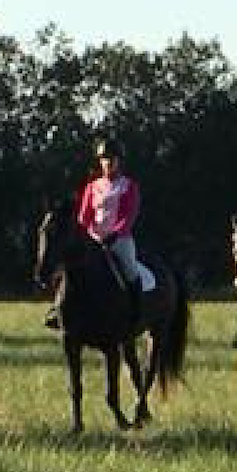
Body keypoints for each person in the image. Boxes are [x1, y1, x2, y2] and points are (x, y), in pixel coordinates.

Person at [46, 136, 156, 330]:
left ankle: (137, 312)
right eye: (105, 159)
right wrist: (87, 233)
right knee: (67, 269)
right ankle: (57, 310)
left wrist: (115, 233)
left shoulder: (128, 186)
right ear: (100, 161)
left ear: (119, 162)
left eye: (112, 159)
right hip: (93, 240)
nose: (108, 163)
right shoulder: (92, 187)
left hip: (119, 240)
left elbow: (129, 215)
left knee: (130, 271)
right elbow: (84, 215)